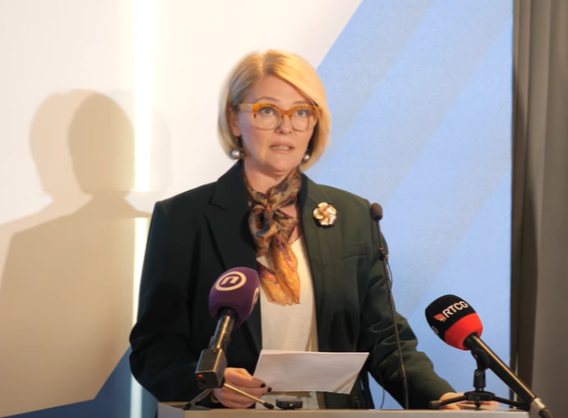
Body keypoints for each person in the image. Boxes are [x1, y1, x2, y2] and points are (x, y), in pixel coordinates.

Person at [129, 49, 465, 410]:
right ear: (233, 120)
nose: (285, 127)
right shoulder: (184, 218)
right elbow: (155, 348)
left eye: (301, 112)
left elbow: (384, 338)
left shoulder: (354, 216)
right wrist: (210, 384)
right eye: (267, 110)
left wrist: (441, 398)